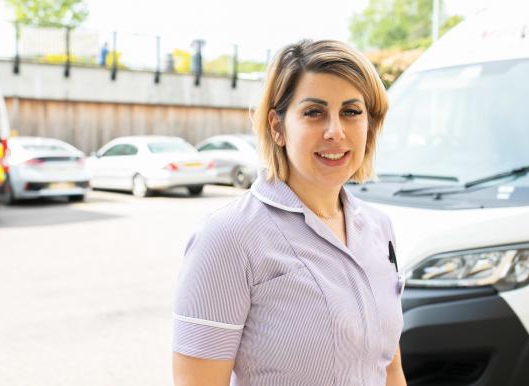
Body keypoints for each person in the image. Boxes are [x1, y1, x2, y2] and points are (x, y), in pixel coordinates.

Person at [172, 39, 406, 386]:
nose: (335, 131)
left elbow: (388, 369)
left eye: (351, 112)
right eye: (314, 112)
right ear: (278, 127)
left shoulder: (378, 227)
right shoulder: (228, 237)